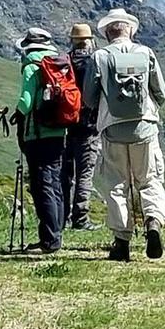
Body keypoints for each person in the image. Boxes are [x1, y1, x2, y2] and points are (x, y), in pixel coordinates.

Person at [83, 8, 165, 261]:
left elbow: (89, 97)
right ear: (130, 30)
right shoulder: (146, 53)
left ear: (108, 32)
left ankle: (121, 241)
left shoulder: (100, 56)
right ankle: (153, 222)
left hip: (112, 129)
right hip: (145, 128)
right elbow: (161, 93)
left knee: (117, 184)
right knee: (150, 179)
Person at [12, 27, 70, 253]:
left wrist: (17, 113)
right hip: (58, 132)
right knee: (54, 183)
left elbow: (26, 101)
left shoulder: (31, 68)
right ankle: (56, 233)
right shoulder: (58, 65)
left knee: (42, 184)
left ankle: (49, 240)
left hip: (37, 134)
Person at [63, 22, 100, 230]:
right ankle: (81, 217)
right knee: (85, 173)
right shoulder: (93, 62)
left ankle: (63, 215)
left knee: (66, 172)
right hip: (89, 124)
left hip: (65, 123)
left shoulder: (65, 61)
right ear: (90, 40)